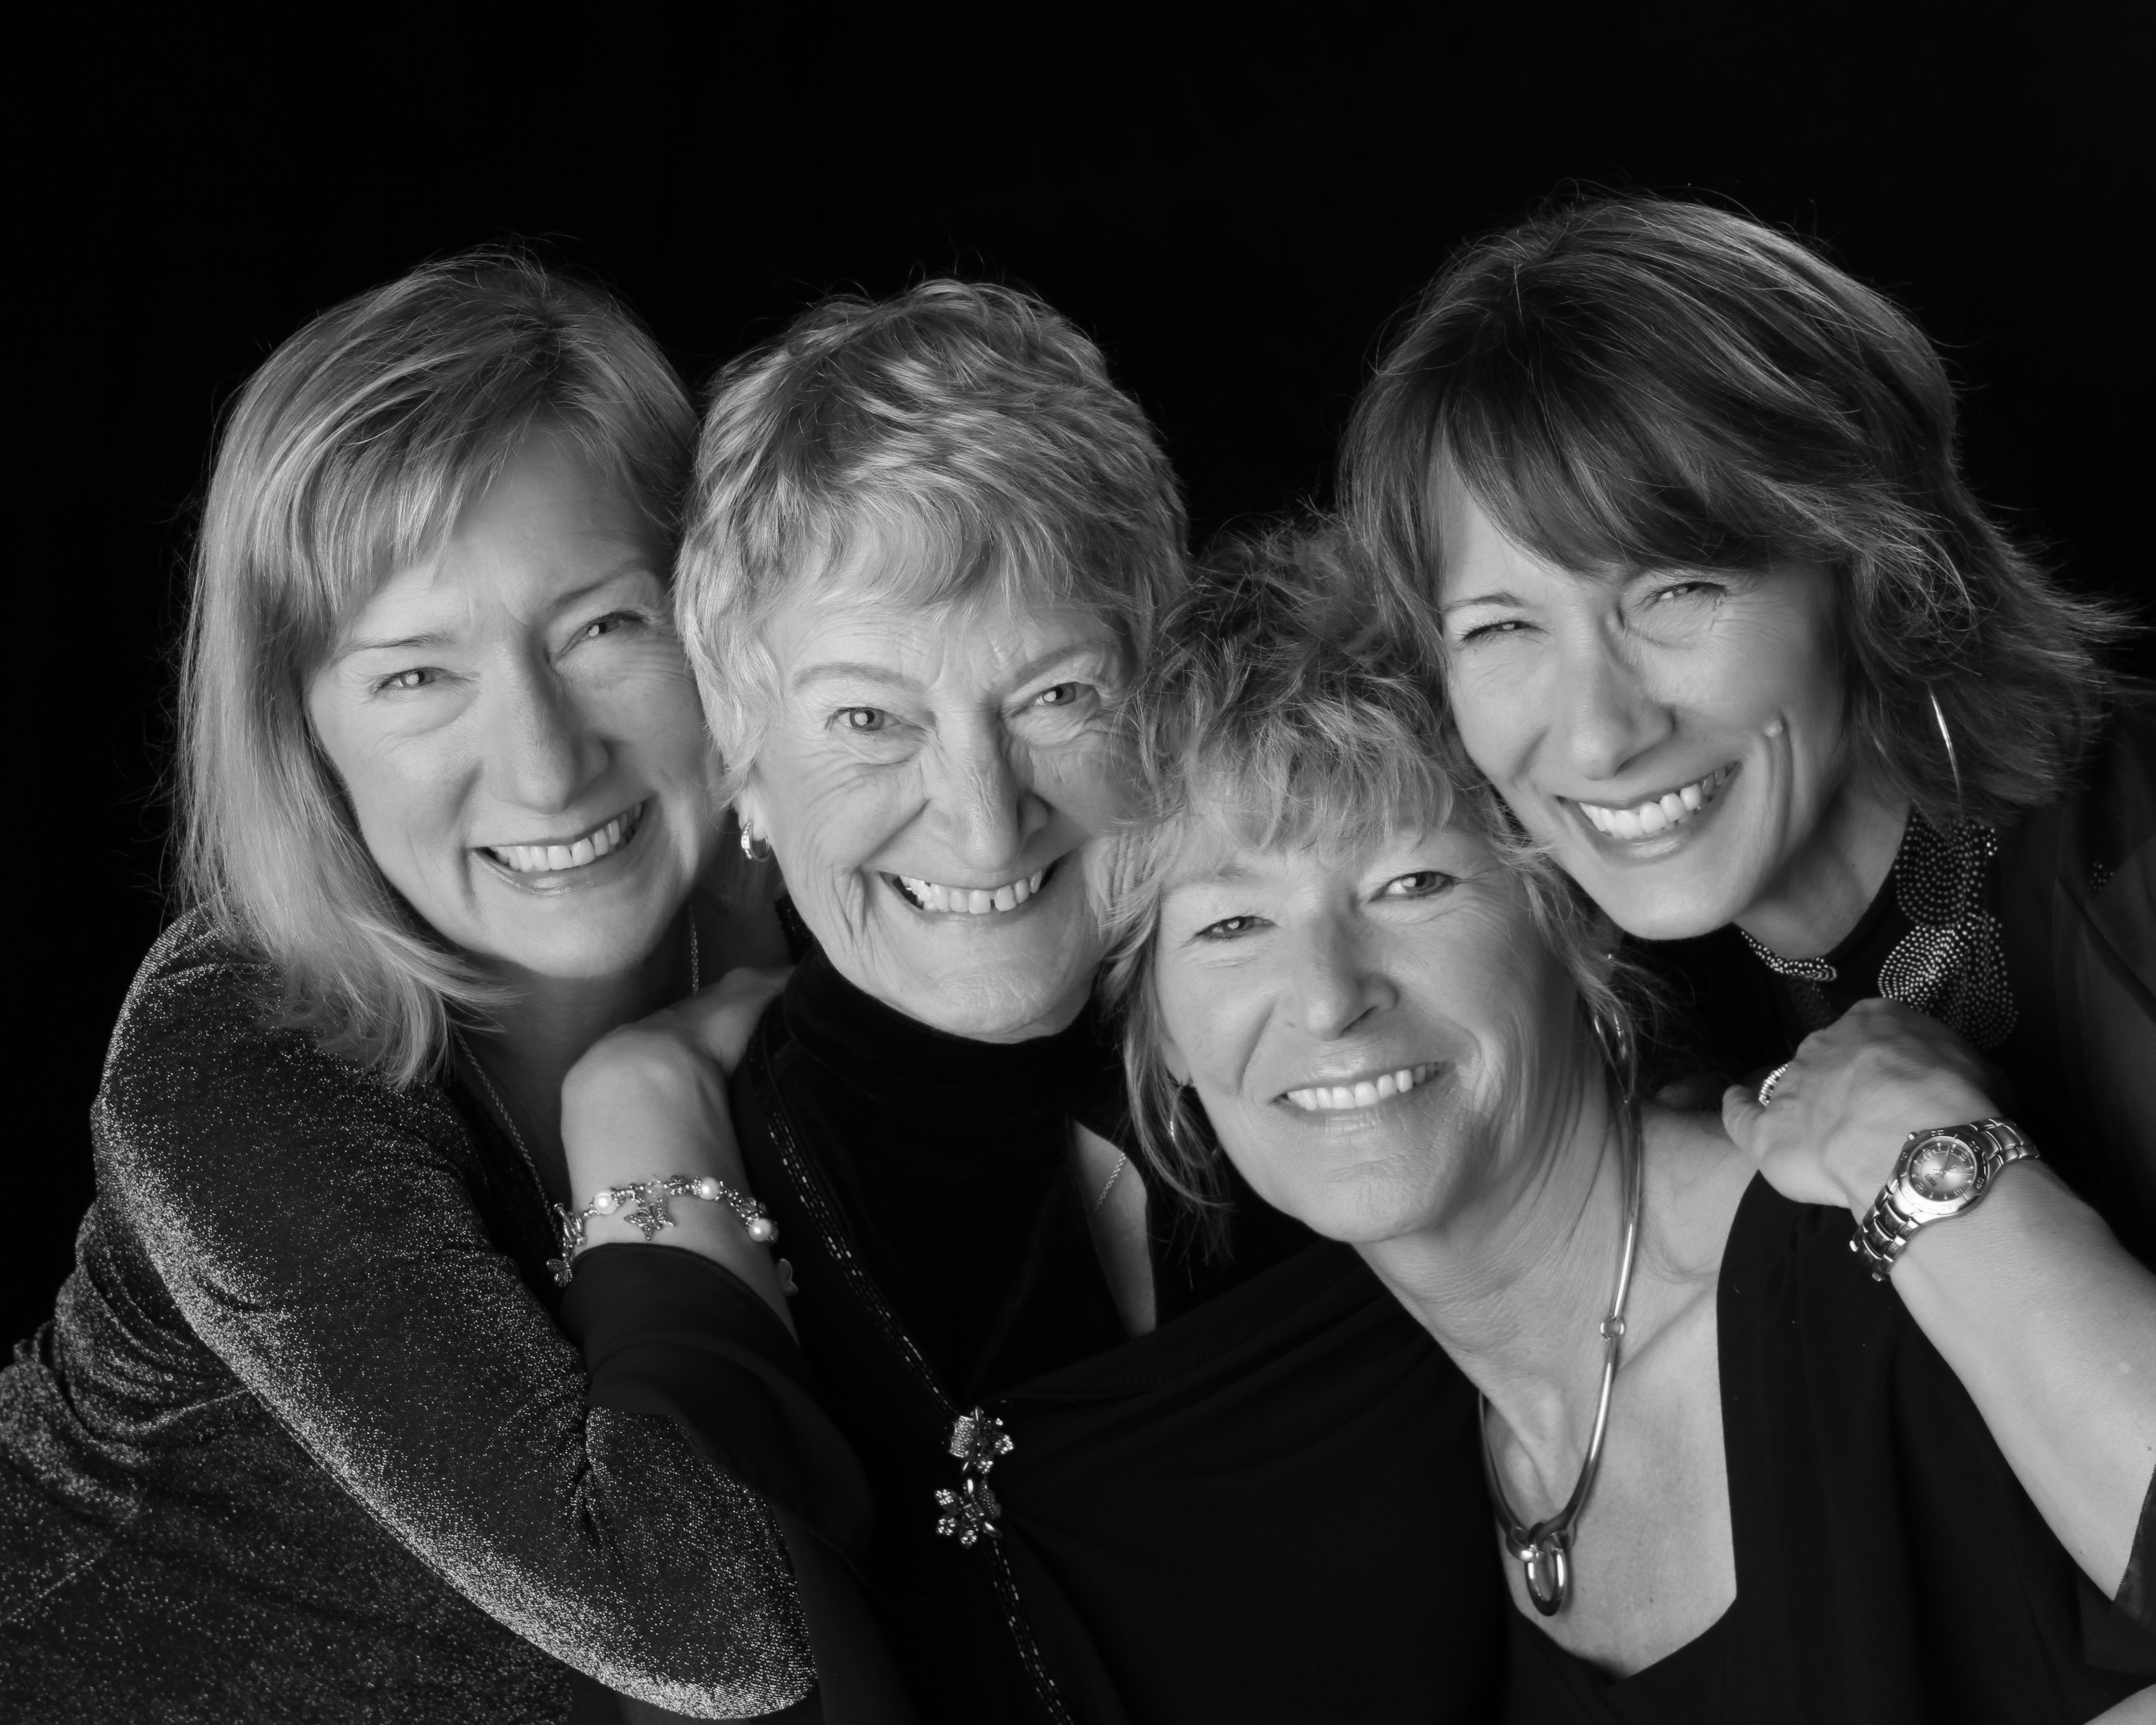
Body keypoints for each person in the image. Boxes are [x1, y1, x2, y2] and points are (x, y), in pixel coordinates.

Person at [552, 282, 1507, 1724]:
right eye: (869, 721)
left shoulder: (1363, 1031)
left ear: (1163, 688)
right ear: (741, 760)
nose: (985, 820)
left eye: (1056, 696)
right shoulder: (700, 1199)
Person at [1102, 527, 2156, 1722]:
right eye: (1231, 927)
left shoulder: (1887, 1279)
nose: (1329, 998)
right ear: (1164, 1031)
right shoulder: (1384, 1465)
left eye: (1412, 886)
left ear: (1576, 926)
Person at [0, 253, 816, 1722]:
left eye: (604, 627)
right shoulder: (237, 1062)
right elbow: (716, 1627)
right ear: (303, 738)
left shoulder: (813, 907)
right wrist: (645, 1105)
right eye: (416, 677)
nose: (547, 765)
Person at [1339, 195, 2154, 1263]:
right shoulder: (1603, 1016)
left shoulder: (2135, 869)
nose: (1599, 738)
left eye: (1676, 592)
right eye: (1500, 628)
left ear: (1870, 566)